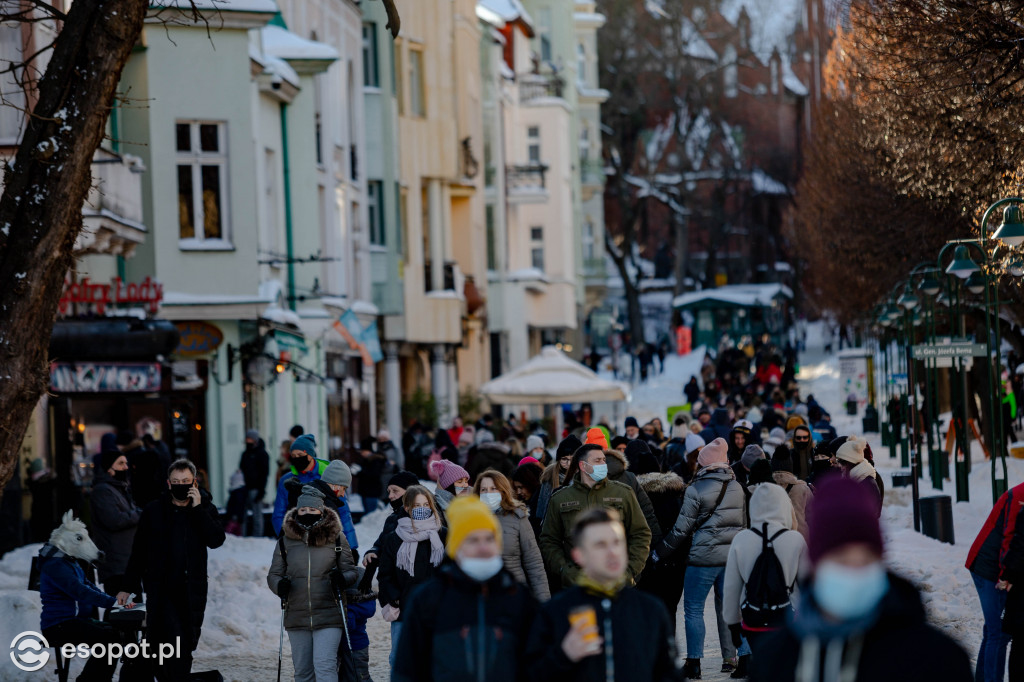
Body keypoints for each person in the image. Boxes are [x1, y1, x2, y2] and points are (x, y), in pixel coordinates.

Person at [751, 477, 973, 682]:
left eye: (866, 559)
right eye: (840, 559)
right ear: (816, 565)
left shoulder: (937, 660)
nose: (853, 572)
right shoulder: (774, 661)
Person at [393, 495, 538, 681]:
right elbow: (406, 671)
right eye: (473, 540)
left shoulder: (519, 597)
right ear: (457, 548)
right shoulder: (428, 599)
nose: (483, 547)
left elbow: (537, 667)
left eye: (489, 538)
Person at [526, 508, 681, 681]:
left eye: (617, 542)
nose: (612, 552)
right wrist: (563, 655)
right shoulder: (555, 612)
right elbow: (532, 674)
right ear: (579, 555)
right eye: (600, 545)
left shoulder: (651, 610)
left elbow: (670, 674)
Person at [651, 437, 750, 679]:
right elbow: (743, 525)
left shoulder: (695, 489)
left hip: (702, 559)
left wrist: (659, 552)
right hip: (731, 559)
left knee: (693, 610)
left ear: (704, 463)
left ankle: (694, 663)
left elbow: (681, 530)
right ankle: (745, 657)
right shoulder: (737, 487)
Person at [118, 459, 225, 680]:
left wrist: (197, 510)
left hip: (191, 590)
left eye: (185, 481)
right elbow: (139, 551)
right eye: (176, 481)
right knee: (169, 640)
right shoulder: (154, 510)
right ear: (168, 483)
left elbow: (215, 539)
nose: (180, 485)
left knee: (184, 645)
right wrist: (128, 586)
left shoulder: (205, 508)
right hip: (162, 589)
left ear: (194, 482)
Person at [267, 486, 359, 682]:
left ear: (321, 511)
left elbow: (350, 571)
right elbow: (274, 574)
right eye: (303, 510)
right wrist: (279, 585)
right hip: (297, 616)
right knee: (303, 672)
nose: (307, 513)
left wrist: (342, 579)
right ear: (297, 511)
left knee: (325, 667)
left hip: (329, 613)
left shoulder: (336, 538)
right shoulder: (285, 541)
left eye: (312, 510)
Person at [539, 441, 652, 590]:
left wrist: (629, 571)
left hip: (617, 583)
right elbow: (549, 540)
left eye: (603, 460)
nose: (603, 464)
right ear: (583, 466)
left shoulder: (623, 493)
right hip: (577, 585)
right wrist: (565, 571)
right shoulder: (560, 498)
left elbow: (641, 533)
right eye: (597, 461)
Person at [723, 484, 806, 678]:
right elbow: (808, 584)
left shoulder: (741, 539)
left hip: (753, 619)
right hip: (788, 620)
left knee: (762, 668)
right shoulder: (795, 539)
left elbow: (731, 588)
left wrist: (733, 624)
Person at [39, 512, 123, 682]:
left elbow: (88, 586)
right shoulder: (56, 565)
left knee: (114, 634)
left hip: (73, 621)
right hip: (59, 625)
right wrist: (113, 603)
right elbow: (80, 592)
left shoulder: (68, 561)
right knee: (108, 639)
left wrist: (116, 601)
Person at [377, 485, 447, 666]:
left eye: (426, 505)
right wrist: (394, 599)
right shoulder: (394, 538)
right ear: (407, 508)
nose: (422, 509)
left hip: (436, 611)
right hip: (405, 610)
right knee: (401, 659)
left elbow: (452, 571)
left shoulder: (443, 535)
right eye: (416, 506)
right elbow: (385, 574)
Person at [966, 479, 1024, 682]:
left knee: (996, 631)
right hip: (989, 568)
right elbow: (1010, 538)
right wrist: (1006, 576)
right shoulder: (1018, 496)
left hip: (999, 567)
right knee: (997, 633)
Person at [474, 469, 550, 601]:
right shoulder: (470, 519)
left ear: (503, 491)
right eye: (484, 490)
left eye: (493, 489)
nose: (488, 494)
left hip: (514, 592)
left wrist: (543, 601)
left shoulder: (517, 517)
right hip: (481, 594)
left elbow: (533, 562)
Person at [636, 470, 688, 635]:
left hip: (646, 563)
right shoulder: (677, 495)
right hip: (675, 564)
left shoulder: (636, 496)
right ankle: (668, 651)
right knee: (670, 610)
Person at [90, 447, 141, 596]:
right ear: (109, 469)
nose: (126, 467)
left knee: (133, 610)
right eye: (121, 463)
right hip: (116, 564)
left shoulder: (120, 489)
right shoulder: (102, 491)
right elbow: (114, 520)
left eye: (126, 463)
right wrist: (138, 514)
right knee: (120, 611)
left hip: (127, 562)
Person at [273, 434, 331, 536]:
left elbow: (342, 512)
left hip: (324, 538)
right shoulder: (287, 480)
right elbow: (279, 513)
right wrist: (284, 535)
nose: (296, 459)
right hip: (296, 538)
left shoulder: (327, 476)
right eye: (293, 456)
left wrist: (350, 546)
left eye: (300, 455)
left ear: (310, 455)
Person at [311, 459, 359, 560]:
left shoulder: (327, 499)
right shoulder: (324, 504)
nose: (342, 494)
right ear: (335, 485)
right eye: (344, 489)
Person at [770, 446, 812, 540]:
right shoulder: (803, 489)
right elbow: (813, 518)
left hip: (775, 541)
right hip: (801, 540)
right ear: (790, 466)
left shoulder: (766, 489)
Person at [538, 435, 581, 522]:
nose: (568, 463)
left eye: (572, 459)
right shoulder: (550, 476)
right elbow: (542, 510)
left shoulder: (584, 476)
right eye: (564, 459)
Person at [835, 437, 882, 514]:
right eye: (838, 461)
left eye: (842, 462)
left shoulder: (867, 484)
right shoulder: (853, 480)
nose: (839, 465)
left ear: (851, 462)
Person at [239, 429, 269, 537]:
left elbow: (264, 473)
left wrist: (261, 490)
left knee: (257, 514)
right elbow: (242, 468)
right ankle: (243, 536)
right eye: (247, 439)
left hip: (256, 488)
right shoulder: (245, 454)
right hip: (245, 487)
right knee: (243, 514)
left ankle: (257, 537)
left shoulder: (262, 454)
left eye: (250, 439)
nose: (248, 441)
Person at [512, 460, 545, 538]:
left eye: (521, 487)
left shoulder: (542, 505)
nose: (518, 492)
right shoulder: (527, 504)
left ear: (530, 483)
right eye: (516, 488)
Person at [355, 437, 386, 514]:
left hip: (372, 491)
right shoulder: (366, 460)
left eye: (363, 451)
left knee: (371, 514)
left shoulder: (376, 460)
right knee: (367, 512)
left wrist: (360, 472)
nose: (361, 453)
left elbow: (374, 474)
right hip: (366, 491)